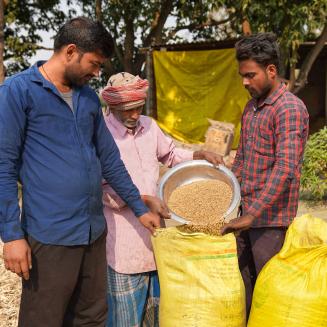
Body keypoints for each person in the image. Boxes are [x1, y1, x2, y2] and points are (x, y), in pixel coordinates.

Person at [0, 17, 161, 327]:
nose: (97, 72)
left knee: (90, 318)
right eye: (94, 63)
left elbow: (110, 160)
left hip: (92, 232)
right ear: (71, 51)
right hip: (50, 236)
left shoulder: (88, 98)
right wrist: (11, 236)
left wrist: (139, 208)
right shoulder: (18, 92)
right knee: (44, 319)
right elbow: (3, 168)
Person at [100, 72, 224, 326]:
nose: (135, 115)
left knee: (156, 318)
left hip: (158, 243)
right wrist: (144, 199)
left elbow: (169, 154)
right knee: (125, 320)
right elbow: (100, 190)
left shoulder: (149, 126)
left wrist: (198, 154)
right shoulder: (101, 134)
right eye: (128, 110)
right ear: (112, 106)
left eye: (138, 108)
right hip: (123, 247)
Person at [221, 33, 309, 317]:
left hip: (271, 222)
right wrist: (226, 195)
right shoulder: (252, 108)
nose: (245, 82)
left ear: (271, 70)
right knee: (243, 283)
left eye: (250, 75)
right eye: (242, 76)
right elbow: (243, 158)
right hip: (246, 214)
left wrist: (252, 215)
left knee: (269, 291)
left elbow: (285, 169)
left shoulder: (289, 108)